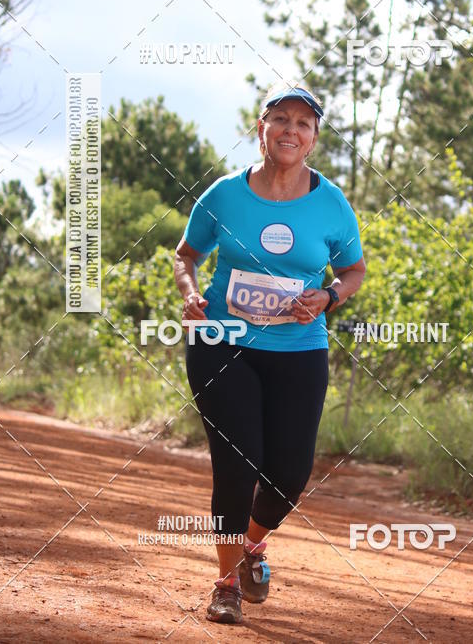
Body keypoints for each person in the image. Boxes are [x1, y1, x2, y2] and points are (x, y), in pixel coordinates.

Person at [174, 83, 366, 625]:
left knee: (288, 473)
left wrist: (329, 296)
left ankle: (253, 546)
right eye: (280, 118)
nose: (290, 129)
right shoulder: (225, 195)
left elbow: (353, 271)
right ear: (261, 129)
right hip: (222, 343)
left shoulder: (332, 204)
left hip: (298, 349)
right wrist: (190, 293)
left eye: (303, 123)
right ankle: (226, 582)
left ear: (313, 139)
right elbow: (186, 255)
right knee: (236, 464)